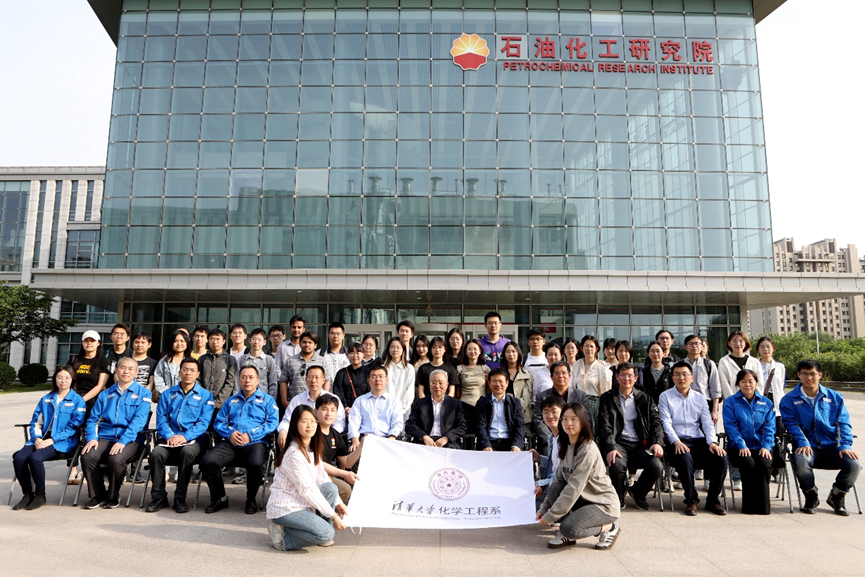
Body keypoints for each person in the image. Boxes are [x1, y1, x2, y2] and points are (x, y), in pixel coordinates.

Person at [780, 359, 861, 516]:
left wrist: (845, 445)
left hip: (832, 447)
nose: (809, 378)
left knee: (855, 464)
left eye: (813, 374)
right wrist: (803, 442)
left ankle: (837, 496)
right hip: (806, 447)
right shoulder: (788, 400)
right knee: (802, 461)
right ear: (798, 375)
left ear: (820, 375)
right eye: (804, 374)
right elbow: (791, 424)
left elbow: (843, 423)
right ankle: (811, 496)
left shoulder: (835, 397)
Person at [537, 403, 621, 550]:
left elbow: (573, 487)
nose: (568, 423)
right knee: (555, 487)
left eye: (573, 419)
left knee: (569, 529)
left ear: (582, 422)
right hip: (583, 499)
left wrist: (551, 515)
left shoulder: (587, 450)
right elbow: (558, 479)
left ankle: (610, 527)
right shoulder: (566, 445)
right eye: (564, 419)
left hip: (602, 504)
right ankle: (570, 527)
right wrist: (543, 509)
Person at [266, 405, 347, 551]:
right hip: (286, 508)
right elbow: (308, 489)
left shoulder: (311, 448)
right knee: (327, 534)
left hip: (301, 502)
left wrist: (339, 503)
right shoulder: (294, 454)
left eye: (313, 421)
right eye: (304, 421)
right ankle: (282, 538)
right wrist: (333, 516)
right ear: (295, 425)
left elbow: (322, 477)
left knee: (330, 488)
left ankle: (314, 531)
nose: (310, 425)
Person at [200, 366, 279, 515]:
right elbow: (219, 422)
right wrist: (230, 433)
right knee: (207, 461)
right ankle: (219, 498)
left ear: (257, 380)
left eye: (251, 377)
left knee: (255, 464)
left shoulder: (268, 400)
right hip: (231, 442)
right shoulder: (231, 401)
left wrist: (251, 435)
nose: (247, 380)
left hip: (255, 442)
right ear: (239, 380)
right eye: (243, 377)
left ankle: (251, 500)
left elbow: (272, 423)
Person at [80, 357, 152, 509]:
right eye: (123, 368)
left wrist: (123, 441)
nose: (126, 371)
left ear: (136, 372)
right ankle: (98, 495)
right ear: (116, 370)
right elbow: (93, 419)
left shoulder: (144, 394)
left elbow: (138, 422)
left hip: (131, 439)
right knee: (88, 456)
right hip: (106, 436)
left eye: (131, 369)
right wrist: (92, 438)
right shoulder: (105, 394)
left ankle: (113, 496)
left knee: (116, 459)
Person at [658, 361, 728, 516]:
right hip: (676, 442)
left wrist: (713, 442)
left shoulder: (700, 398)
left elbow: (707, 423)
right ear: (672, 378)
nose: (681, 378)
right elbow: (666, 423)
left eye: (685, 374)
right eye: (677, 374)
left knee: (721, 458)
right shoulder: (665, 397)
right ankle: (691, 500)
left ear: (692, 377)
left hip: (698, 441)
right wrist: (676, 442)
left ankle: (713, 500)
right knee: (684, 457)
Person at [146, 358, 215, 514]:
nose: (188, 373)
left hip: (193, 441)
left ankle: (180, 498)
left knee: (187, 452)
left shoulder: (205, 396)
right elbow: (161, 419)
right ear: (179, 372)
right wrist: (169, 436)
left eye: (192, 370)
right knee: (156, 454)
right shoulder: (168, 394)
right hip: (169, 440)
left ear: (197, 374)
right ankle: (158, 497)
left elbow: (203, 423)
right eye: (185, 369)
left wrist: (185, 437)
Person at [12, 366, 86, 510]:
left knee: (35, 458)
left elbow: (74, 427)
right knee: (19, 458)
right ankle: (27, 494)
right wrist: (37, 438)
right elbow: (35, 422)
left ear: (72, 380)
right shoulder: (46, 399)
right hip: (42, 438)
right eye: (60, 377)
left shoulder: (78, 400)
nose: (63, 381)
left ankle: (40, 495)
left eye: (67, 378)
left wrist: (52, 440)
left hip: (63, 441)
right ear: (55, 379)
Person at [597, 362, 665, 510]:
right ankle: (619, 495)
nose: (626, 379)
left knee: (656, 466)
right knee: (616, 464)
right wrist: (610, 447)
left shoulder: (645, 399)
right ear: (617, 377)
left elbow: (656, 423)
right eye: (622, 375)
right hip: (619, 442)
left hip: (641, 443)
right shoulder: (608, 398)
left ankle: (638, 492)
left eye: (629, 376)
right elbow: (604, 425)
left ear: (635, 378)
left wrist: (657, 442)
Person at [722, 368, 776, 515]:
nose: (747, 385)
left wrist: (766, 446)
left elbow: (770, 427)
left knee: (764, 464)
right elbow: (731, 427)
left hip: (761, 447)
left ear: (756, 383)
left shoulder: (766, 403)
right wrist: (741, 445)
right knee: (748, 463)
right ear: (738, 384)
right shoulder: (731, 402)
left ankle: (763, 507)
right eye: (743, 381)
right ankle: (749, 507)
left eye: (750, 381)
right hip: (738, 447)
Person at [717, 331, 763, 491]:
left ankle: (754, 473)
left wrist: (758, 402)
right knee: (735, 440)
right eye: (734, 341)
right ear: (729, 343)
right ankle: (736, 477)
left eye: (741, 341)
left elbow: (759, 384)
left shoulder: (754, 362)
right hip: (733, 407)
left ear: (746, 343)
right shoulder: (724, 361)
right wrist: (735, 402)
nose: (738, 344)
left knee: (754, 437)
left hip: (754, 407)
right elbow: (724, 384)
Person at [347, 364, 405, 457]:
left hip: (387, 440)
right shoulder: (360, 401)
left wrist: (391, 439)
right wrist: (355, 440)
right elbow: (354, 422)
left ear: (386, 380)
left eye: (381, 376)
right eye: (373, 377)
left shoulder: (394, 401)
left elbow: (397, 424)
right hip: (364, 440)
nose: (377, 379)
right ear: (368, 381)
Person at [313, 395, 360, 503]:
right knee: (333, 488)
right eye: (324, 409)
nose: (328, 413)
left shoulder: (335, 434)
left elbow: (347, 463)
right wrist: (344, 474)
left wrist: (361, 446)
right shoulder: (312, 432)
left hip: (327, 476)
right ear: (316, 411)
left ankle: (326, 510)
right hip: (312, 476)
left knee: (345, 490)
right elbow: (317, 463)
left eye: (332, 410)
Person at [405, 369, 468, 449]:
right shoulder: (419, 403)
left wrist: (446, 438)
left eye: (441, 383)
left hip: (447, 443)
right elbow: (410, 424)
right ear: (429, 384)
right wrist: (423, 436)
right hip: (423, 442)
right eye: (434, 382)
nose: (437, 386)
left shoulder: (455, 404)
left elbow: (462, 426)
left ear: (447, 385)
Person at [279, 365, 346, 435]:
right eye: (310, 377)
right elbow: (287, 420)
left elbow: (340, 422)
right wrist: (283, 431)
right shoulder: (297, 400)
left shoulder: (333, 399)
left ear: (323, 380)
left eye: (317, 377)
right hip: (303, 436)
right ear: (306, 380)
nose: (313, 381)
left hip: (327, 436)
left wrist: (329, 434)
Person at [475, 368, 525, 452]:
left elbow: (519, 426)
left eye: (501, 381)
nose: (498, 384)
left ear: (507, 383)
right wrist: (486, 445)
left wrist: (516, 445)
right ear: (489, 383)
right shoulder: (482, 403)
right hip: (489, 442)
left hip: (510, 442)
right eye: (494, 381)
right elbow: (480, 426)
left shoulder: (515, 403)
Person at [530, 395, 565, 508]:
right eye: (546, 412)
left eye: (554, 412)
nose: (550, 416)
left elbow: (564, 471)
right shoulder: (551, 438)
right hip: (552, 484)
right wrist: (540, 458)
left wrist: (543, 484)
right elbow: (555, 464)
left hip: (562, 487)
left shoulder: (566, 439)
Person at [571, 335, 611, 431]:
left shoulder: (602, 367)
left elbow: (606, 391)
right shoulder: (577, 365)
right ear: (581, 348)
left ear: (596, 349)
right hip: (579, 404)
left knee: (593, 431)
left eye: (591, 346)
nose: (589, 349)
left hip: (595, 405)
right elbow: (573, 386)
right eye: (586, 346)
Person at [278, 330, 324, 408]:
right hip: (295, 404)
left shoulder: (322, 361)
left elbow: (326, 381)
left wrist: (323, 400)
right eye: (304, 342)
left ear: (315, 345)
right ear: (299, 344)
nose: (307, 344)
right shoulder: (290, 361)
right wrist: (284, 401)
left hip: (316, 404)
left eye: (310, 342)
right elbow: (283, 381)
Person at [198, 328, 237, 413]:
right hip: (203, 403)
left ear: (223, 341)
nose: (215, 342)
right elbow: (198, 379)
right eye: (212, 339)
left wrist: (217, 402)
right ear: (208, 341)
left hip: (221, 406)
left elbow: (230, 383)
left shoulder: (230, 360)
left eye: (218, 339)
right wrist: (203, 398)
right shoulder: (202, 359)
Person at [457, 338, 490, 430]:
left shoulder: (485, 369)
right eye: (469, 349)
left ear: (480, 351)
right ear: (465, 351)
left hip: (481, 406)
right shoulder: (459, 369)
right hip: (464, 406)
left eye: (475, 349)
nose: (472, 351)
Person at [502, 341, 533, 436]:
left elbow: (526, 396)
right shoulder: (500, 374)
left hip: (522, 415)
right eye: (508, 352)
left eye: (513, 351)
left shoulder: (526, 374)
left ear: (518, 353)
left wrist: (519, 409)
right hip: (503, 414)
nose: (511, 354)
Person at [331, 342, 370, 415]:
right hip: (345, 412)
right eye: (352, 353)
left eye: (358, 353)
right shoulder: (341, 373)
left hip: (364, 411)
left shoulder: (369, 372)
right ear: (347, 355)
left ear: (363, 354)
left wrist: (357, 408)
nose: (355, 356)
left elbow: (370, 392)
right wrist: (346, 407)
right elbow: (338, 392)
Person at [238, 328, 279, 398]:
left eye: (259, 340)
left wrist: (270, 400)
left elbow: (273, 384)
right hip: (244, 399)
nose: (256, 342)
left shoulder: (269, 360)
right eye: (254, 339)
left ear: (264, 342)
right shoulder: (242, 360)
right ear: (250, 341)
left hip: (263, 399)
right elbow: (237, 382)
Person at [154, 329, 192, 401]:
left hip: (185, 400)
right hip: (166, 399)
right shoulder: (164, 361)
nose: (179, 344)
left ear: (187, 343)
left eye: (182, 341)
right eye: (175, 341)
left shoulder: (191, 362)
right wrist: (169, 394)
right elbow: (158, 378)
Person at [382, 337, 415, 417]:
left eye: (398, 347)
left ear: (403, 350)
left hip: (404, 410)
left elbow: (410, 391)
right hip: (386, 409)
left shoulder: (409, 368)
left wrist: (402, 409)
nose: (395, 350)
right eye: (392, 347)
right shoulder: (383, 368)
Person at [319, 322, 350, 387]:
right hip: (325, 391)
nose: (335, 336)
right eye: (332, 333)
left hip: (344, 392)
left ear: (343, 335)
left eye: (338, 334)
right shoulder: (320, 353)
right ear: (328, 335)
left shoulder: (349, 354)